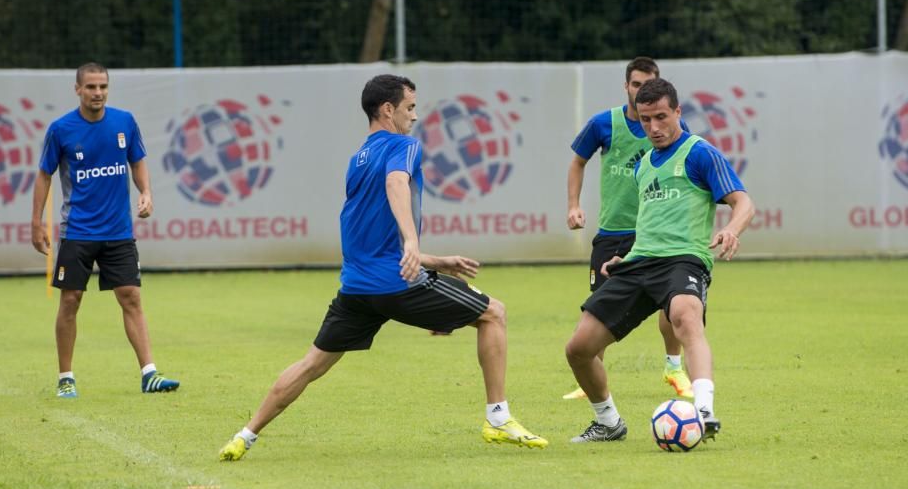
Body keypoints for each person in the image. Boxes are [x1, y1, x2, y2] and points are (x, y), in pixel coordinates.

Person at [218, 74, 547, 461]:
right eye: (410, 107)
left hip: (356, 290)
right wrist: (412, 241)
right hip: (396, 284)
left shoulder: (357, 160)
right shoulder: (403, 146)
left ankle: (245, 435)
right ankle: (498, 418)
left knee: (310, 365)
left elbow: (370, 239)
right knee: (494, 313)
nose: (416, 116)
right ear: (387, 109)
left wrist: (435, 260)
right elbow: (397, 185)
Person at [565, 78, 754, 443]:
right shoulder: (644, 165)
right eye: (646, 119)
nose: (653, 127)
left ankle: (703, 410)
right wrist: (626, 257)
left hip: (684, 260)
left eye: (662, 117)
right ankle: (608, 422)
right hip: (639, 263)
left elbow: (743, 202)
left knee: (686, 315)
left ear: (678, 113)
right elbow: (650, 223)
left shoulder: (700, 153)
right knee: (579, 348)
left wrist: (732, 229)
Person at [31, 62, 179, 398]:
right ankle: (66, 377)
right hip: (78, 232)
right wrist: (37, 222)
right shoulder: (61, 129)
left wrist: (146, 192)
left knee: (132, 298)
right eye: (91, 87)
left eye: (103, 87)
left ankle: (149, 374)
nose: (97, 93)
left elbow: (137, 160)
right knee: (71, 300)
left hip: (119, 232)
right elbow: (44, 175)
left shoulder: (124, 122)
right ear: (78, 90)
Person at [565, 57, 692, 401]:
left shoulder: (672, 131)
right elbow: (578, 161)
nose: (640, 93)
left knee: (673, 304)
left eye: (647, 84)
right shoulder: (603, 123)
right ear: (626, 86)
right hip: (611, 233)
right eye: (635, 85)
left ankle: (673, 366)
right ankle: (589, 379)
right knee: (599, 307)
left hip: (654, 236)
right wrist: (574, 205)